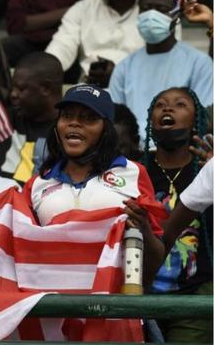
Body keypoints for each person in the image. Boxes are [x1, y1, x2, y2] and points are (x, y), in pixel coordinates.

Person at [23, 84, 165, 287]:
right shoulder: (37, 184)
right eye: (67, 116)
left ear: (106, 129)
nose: (74, 124)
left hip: (115, 307)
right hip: (55, 306)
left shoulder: (134, 173)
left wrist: (144, 230)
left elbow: (156, 260)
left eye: (88, 118)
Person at [141, 87, 212, 343]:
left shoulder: (206, 169)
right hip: (140, 290)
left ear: (197, 122)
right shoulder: (133, 169)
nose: (168, 108)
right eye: (160, 105)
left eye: (180, 104)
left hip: (195, 292)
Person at [109, 0, 213, 143]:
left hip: (183, 153)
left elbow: (204, 120)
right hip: (134, 156)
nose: (151, 15)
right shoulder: (124, 68)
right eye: (145, 8)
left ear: (177, 15)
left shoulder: (199, 63)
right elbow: (116, 121)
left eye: (161, 9)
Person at [0, 52, 62, 184]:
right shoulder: (4, 119)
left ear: (46, 89)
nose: (13, 94)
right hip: (4, 199)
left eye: (21, 89)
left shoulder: (70, 131)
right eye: (13, 88)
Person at [45, 0, 145, 88]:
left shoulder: (151, 8)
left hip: (138, 87)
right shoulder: (83, 8)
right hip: (89, 88)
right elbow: (62, 47)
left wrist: (120, 74)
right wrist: (44, 70)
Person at [3, 0, 92, 69]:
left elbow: (90, 10)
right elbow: (18, 24)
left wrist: (76, 13)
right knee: (8, 46)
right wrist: (73, 11)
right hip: (33, 40)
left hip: (72, 36)